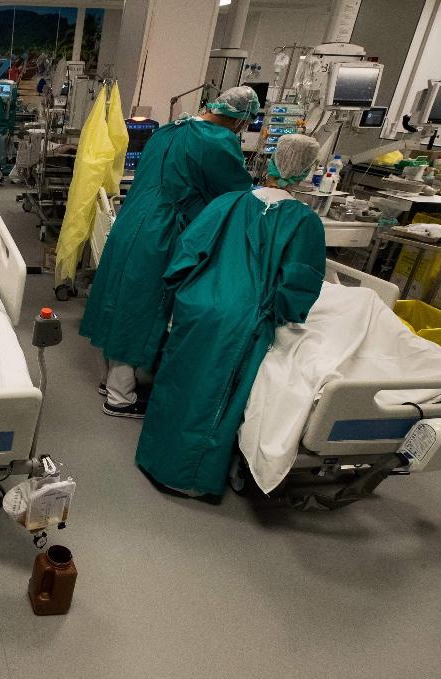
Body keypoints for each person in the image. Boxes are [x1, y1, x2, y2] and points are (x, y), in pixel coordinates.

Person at [135, 134, 326, 498]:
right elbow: (298, 284)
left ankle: (154, 458)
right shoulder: (304, 222)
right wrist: (284, 317)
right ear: (305, 172)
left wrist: (186, 299)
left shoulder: (229, 202)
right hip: (242, 319)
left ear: (269, 162)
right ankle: (186, 477)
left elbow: (186, 254)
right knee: (212, 395)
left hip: (198, 307)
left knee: (178, 383)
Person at [79, 85, 259, 418]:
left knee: (122, 299)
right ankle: (120, 396)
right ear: (238, 120)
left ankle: (111, 380)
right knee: (141, 308)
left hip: (131, 221)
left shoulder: (167, 131)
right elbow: (237, 193)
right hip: (161, 232)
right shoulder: (218, 142)